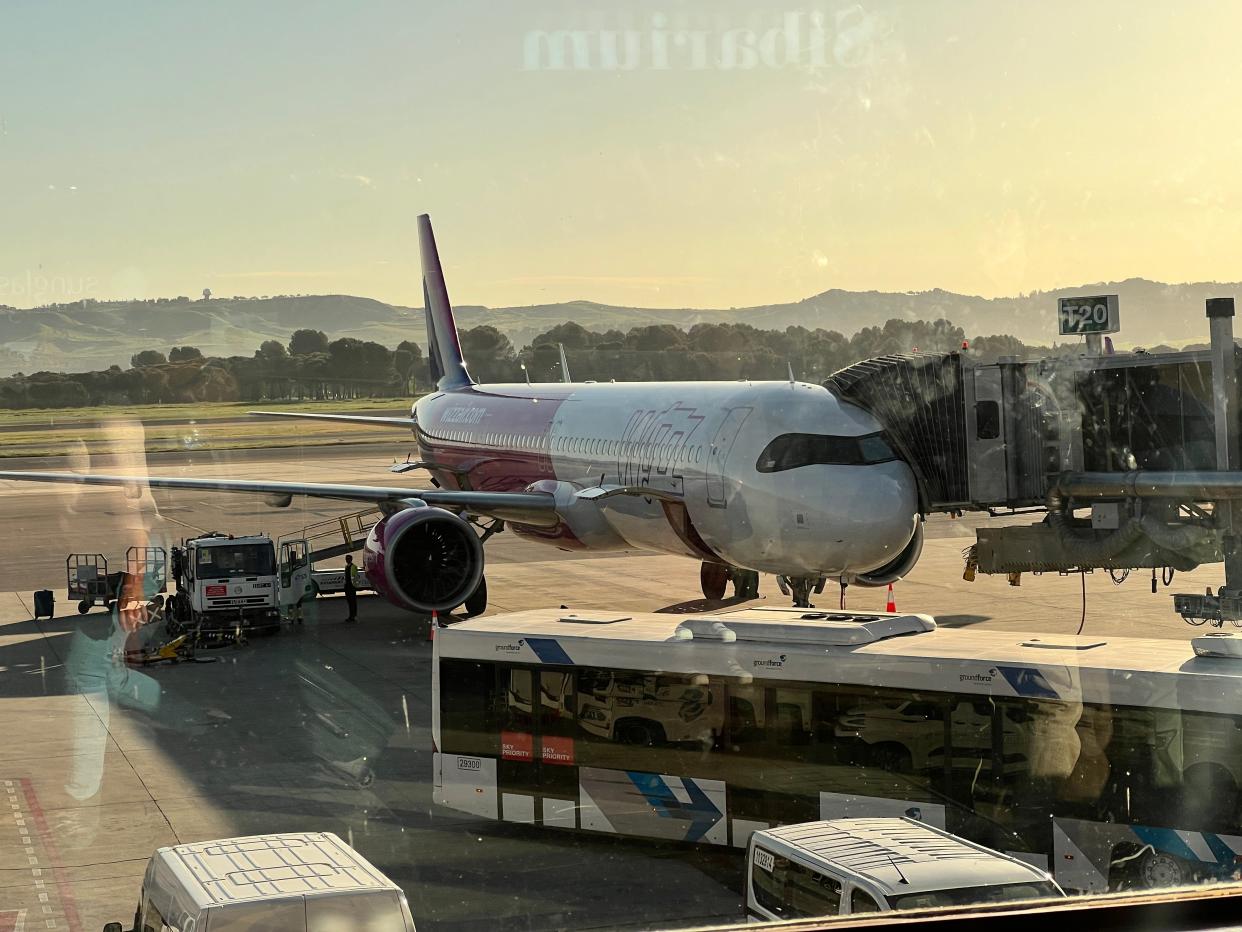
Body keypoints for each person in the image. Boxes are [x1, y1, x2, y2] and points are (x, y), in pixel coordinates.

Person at [344, 554, 359, 623]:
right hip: (347, 587)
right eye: (346, 559)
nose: (347, 560)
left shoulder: (354, 567)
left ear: (351, 559)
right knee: (350, 602)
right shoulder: (346, 567)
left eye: (348, 559)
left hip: (352, 587)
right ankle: (351, 616)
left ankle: (353, 616)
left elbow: (356, 577)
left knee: (353, 602)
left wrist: (355, 585)